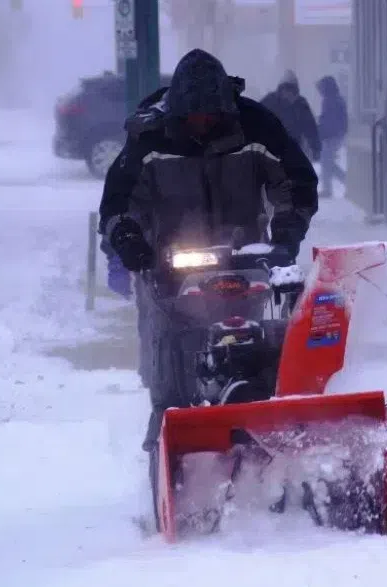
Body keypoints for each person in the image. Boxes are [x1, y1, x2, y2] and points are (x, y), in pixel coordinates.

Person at [98, 48, 319, 453]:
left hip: (243, 259)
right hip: (167, 266)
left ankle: (258, 413)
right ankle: (168, 425)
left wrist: (285, 236)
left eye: (210, 117)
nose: (202, 124)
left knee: (256, 340)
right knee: (167, 347)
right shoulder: (150, 137)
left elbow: (296, 183)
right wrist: (129, 243)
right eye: (193, 118)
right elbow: (117, 203)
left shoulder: (255, 127)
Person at [259, 70, 321, 162]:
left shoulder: (301, 104)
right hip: (272, 145)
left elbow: (310, 127)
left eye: (291, 90)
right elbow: (257, 116)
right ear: (281, 89)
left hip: (293, 147)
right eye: (285, 89)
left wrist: (316, 148)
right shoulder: (270, 100)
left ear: (296, 91)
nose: (288, 94)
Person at [315, 75, 348, 198]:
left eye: (321, 88)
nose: (320, 91)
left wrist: (322, 131)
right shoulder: (334, 99)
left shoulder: (331, 100)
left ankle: (329, 189)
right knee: (327, 163)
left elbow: (329, 121)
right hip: (334, 135)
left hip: (332, 136)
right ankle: (347, 183)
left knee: (326, 162)